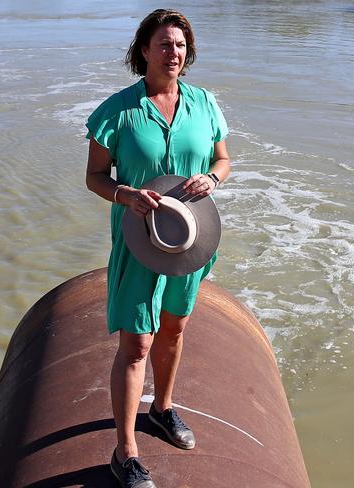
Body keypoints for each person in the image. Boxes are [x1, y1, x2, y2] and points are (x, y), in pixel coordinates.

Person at [85, 9, 230, 488]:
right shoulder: (118, 111)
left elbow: (224, 160)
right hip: (138, 239)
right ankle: (125, 451)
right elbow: (95, 176)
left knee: (174, 328)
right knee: (136, 343)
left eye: (181, 46)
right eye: (164, 44)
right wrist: (125, 195)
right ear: (143, 50)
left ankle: (163, 410)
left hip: (189, 238)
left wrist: (212, 177)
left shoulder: (205, 103)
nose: (174, 53)